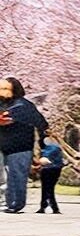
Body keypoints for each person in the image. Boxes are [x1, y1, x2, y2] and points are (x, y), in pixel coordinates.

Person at [0, 79, 47, 215]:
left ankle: (16, 204)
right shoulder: (3, 104)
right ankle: (10, 203)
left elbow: (42, 123)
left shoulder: (24, 106)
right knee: (9, 177)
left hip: (20, 147)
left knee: (17, 176)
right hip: (4, 146)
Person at [35, 131, 64, 215]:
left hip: (48, 169)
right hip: (56, 169)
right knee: (49, 188)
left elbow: (44, 160)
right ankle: (46, 206)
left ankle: (51, 207)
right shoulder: (57, 148)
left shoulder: (48, 149)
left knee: (47, 188)